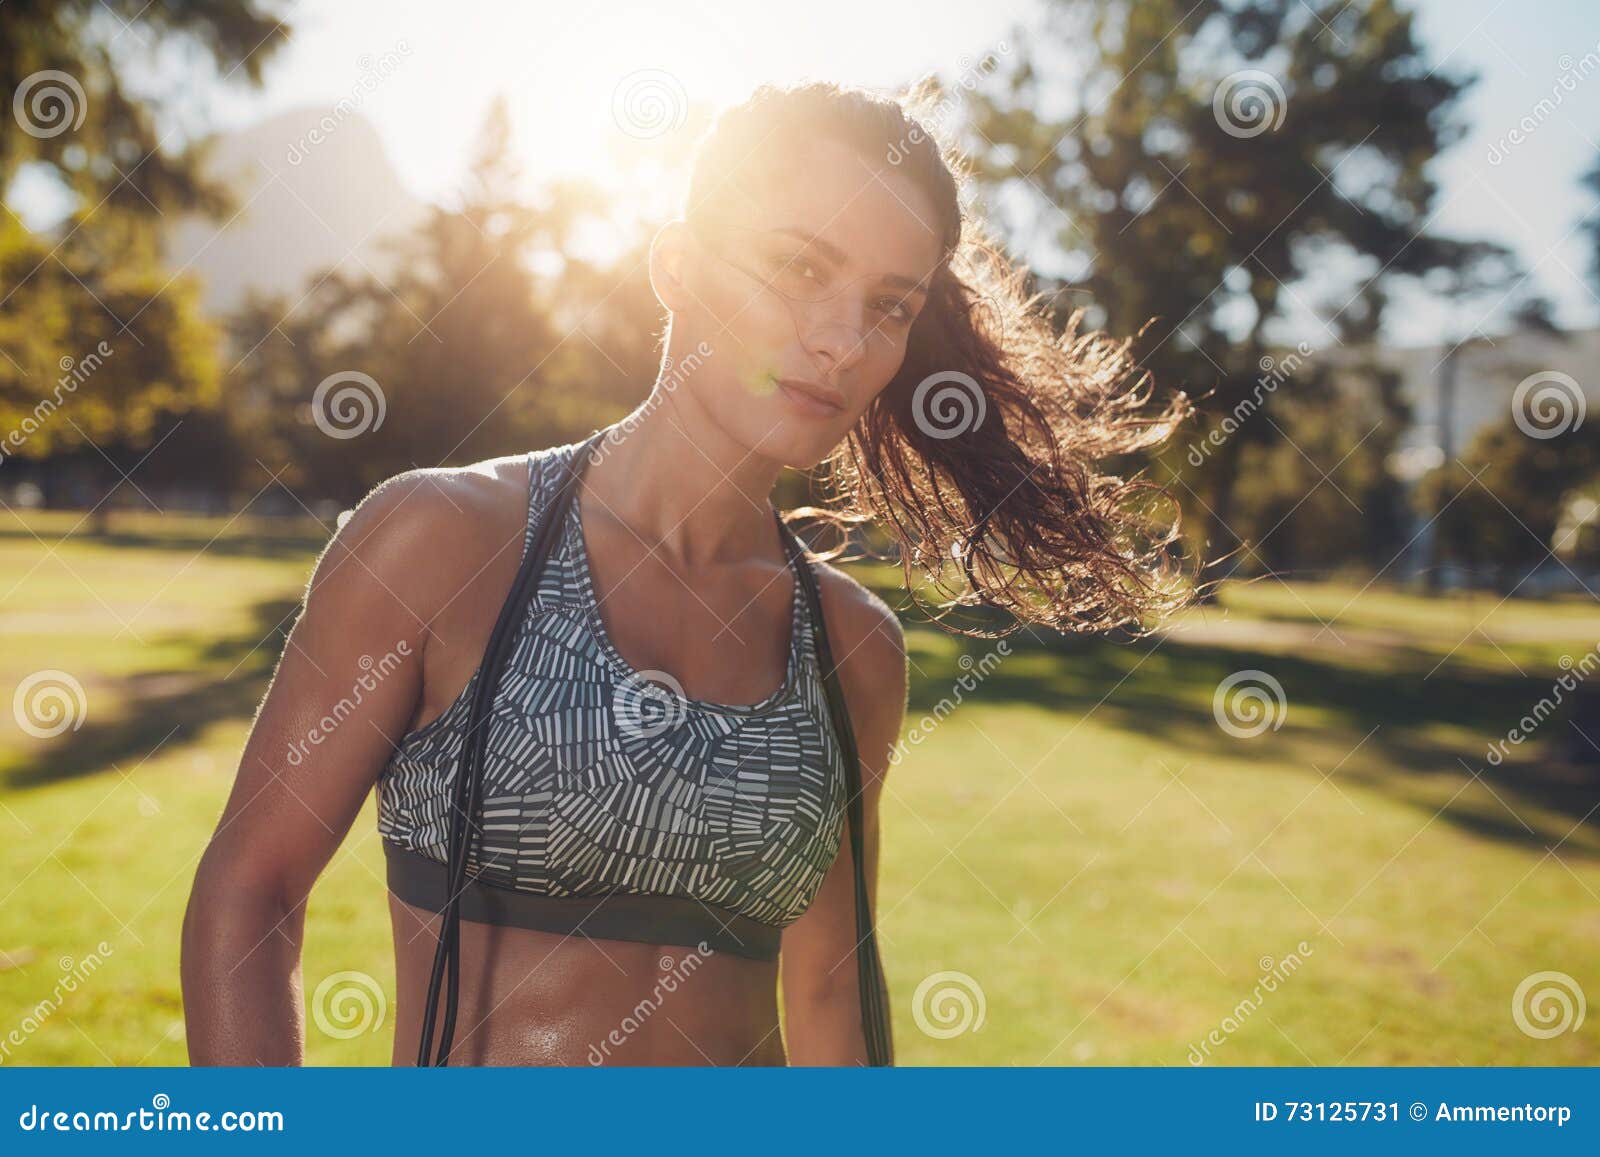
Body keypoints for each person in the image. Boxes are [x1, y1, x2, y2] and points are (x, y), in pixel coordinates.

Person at [180, 80, 1195, 1067]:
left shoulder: (851, 649)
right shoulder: (440, 541)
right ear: (674, 264)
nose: (841, 340)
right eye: (799, 268)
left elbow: (832, 992)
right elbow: (250, 887)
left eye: (888, 306)